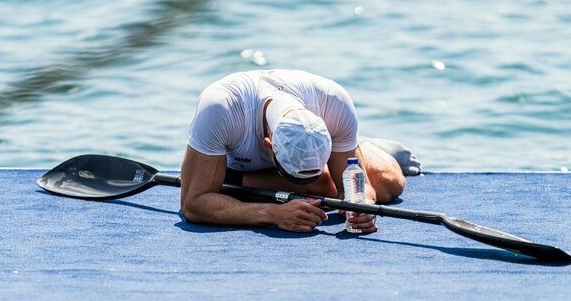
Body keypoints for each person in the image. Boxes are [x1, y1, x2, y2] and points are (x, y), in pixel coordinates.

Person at [180, 69, 420, 233]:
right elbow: (192, 204)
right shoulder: (220, 108)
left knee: (389, 185)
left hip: (319, 147)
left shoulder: (333, 102)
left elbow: (357, 190)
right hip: (233, 160)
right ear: (268, 144)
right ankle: (230, 180)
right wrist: (272, 214)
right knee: (323, 186)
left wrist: (361, 206)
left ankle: (360, 145)